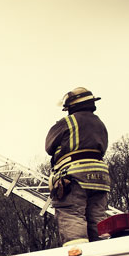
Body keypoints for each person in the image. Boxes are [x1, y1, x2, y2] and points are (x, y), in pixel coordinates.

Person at [45, 87, 110, 245]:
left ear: (71, 107)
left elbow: (49, 146)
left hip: (74, 175)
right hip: (100, 177)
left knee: (71, 214)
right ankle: (103, 253)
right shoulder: (100, 124)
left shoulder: (67, 122)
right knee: (98, 219)